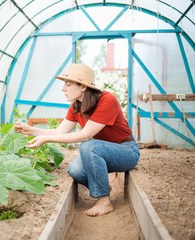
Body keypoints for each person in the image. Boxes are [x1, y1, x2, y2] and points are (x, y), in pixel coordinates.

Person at [15, 63, 140, 216]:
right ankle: (103, 187)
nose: (63, 88)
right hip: (104, 153)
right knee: (75, 170)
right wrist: (31, 130)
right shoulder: (76, 106)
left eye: (68, 84)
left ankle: (104, 202)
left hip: (126, 151)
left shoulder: (107, 100)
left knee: (89, 146)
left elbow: (85, 135)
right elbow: (60, 131)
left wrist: (46, 139)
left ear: (83, 87)